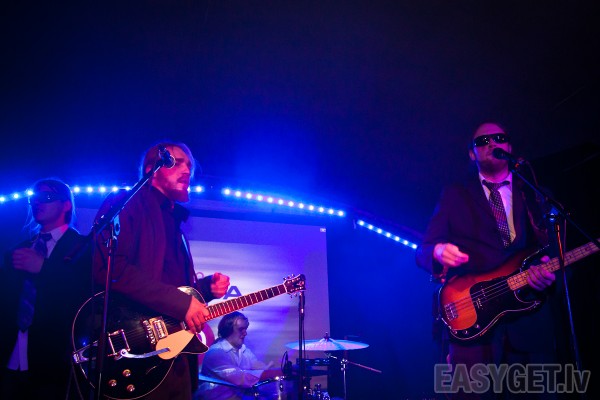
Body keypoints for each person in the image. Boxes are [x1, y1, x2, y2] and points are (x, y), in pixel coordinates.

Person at [416, 122, 559, 399]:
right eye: (483, 141)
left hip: (529, 321)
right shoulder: (455, 195)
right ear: (472, 154)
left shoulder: (535, 194)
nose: (492, 143)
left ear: (509, 147)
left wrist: (548, 273)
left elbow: (555, 252)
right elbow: (422, 251)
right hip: (475, 327)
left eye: (499, 138)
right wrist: (437, 251)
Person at [92, 141, 230, 400]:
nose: (187, 170)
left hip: (173, 355)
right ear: (152, 169)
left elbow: (171, 286)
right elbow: (111, 268)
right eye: (176, 162)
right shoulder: (128, 202)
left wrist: (206, 288)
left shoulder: (175, 224)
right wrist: (181, 303)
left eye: (189, 165)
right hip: (138, 350)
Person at [0, 178, 92, 400]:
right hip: (11, 350)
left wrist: (44, 268)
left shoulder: (83, 246)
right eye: (34, 198)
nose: (38, 202)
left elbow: (83, 294)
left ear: (66, 204)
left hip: (54, 356)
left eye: (47, 197)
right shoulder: (20, 248)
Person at [197, 311, 283, 400]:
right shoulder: (216, 353)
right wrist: (273, 372)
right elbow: (241, 378)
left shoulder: (243, 349)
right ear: (228, 330)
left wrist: (271, 369)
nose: (245, 333)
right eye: (241, 329)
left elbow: (255, 365)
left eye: (245, 329)